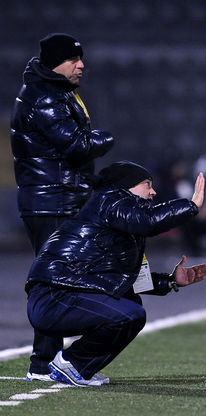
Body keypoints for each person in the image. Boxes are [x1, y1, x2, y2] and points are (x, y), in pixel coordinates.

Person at [25, 161, 206, 386]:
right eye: (147, 184)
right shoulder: (110, 200)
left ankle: (72, 367)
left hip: (62, 295)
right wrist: (191, 206)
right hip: (54, 298)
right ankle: (72, 363)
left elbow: (129, 281)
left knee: (131, 307)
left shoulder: (121, 221)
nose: (153, 191)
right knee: (129, 314)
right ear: (126, 186)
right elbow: (149, 221)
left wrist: (170, 281)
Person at [10, 33, 115, 381]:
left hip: (57, 198)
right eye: (73, 59)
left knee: (63, 280)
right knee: (55, 282)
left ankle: (54, 362)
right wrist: (106, 138)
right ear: (55, 62)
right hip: (51, 201)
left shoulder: (55, 92)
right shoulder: (45, 96)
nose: (81, 65)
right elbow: (77, 146)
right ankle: (46, 363)